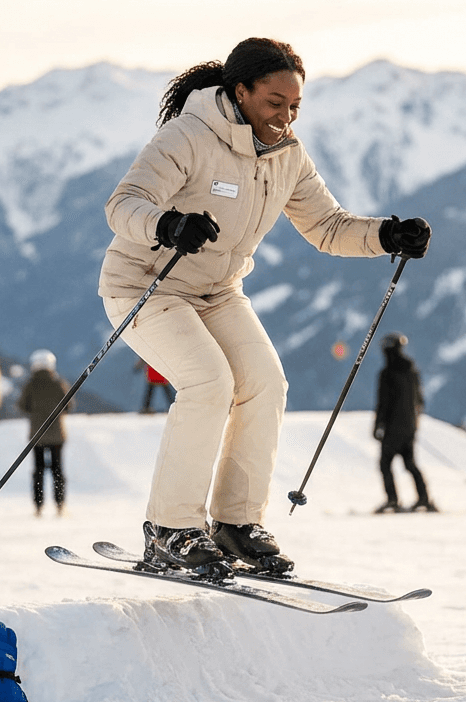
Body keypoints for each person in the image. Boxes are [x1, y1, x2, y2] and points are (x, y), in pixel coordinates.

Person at [99, 38, 431, 575]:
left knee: (265, 383)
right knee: (209, 382)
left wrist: (387, 234)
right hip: (146, 285)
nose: (286, 116)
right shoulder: (188, 136)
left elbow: (328, 227)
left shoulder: (287, 156)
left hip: (219, 291)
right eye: (275, 103)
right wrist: (167, 225)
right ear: (241, 91)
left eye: (295, 105)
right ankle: (170, 529)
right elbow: (123, 205)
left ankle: (235, 523)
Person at [373, 332, 433, 513]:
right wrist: (414, 424)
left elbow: (383, 403)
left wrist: (378, 426)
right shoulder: (412, 371)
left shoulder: (386, 374)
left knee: (385, 464)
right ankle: (423, 499)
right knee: (410, 464)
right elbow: (420, 401)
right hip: (410, 427)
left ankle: (392, 500)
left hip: (392, 429)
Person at [18, 349, 71, 517]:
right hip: (57, 435)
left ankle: (38, 505)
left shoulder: (30, 385)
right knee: (57, 470)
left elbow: (22, 406)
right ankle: (60, 504)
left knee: (38, 471)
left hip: (37, 435)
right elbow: (69, 405)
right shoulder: (58, 383)